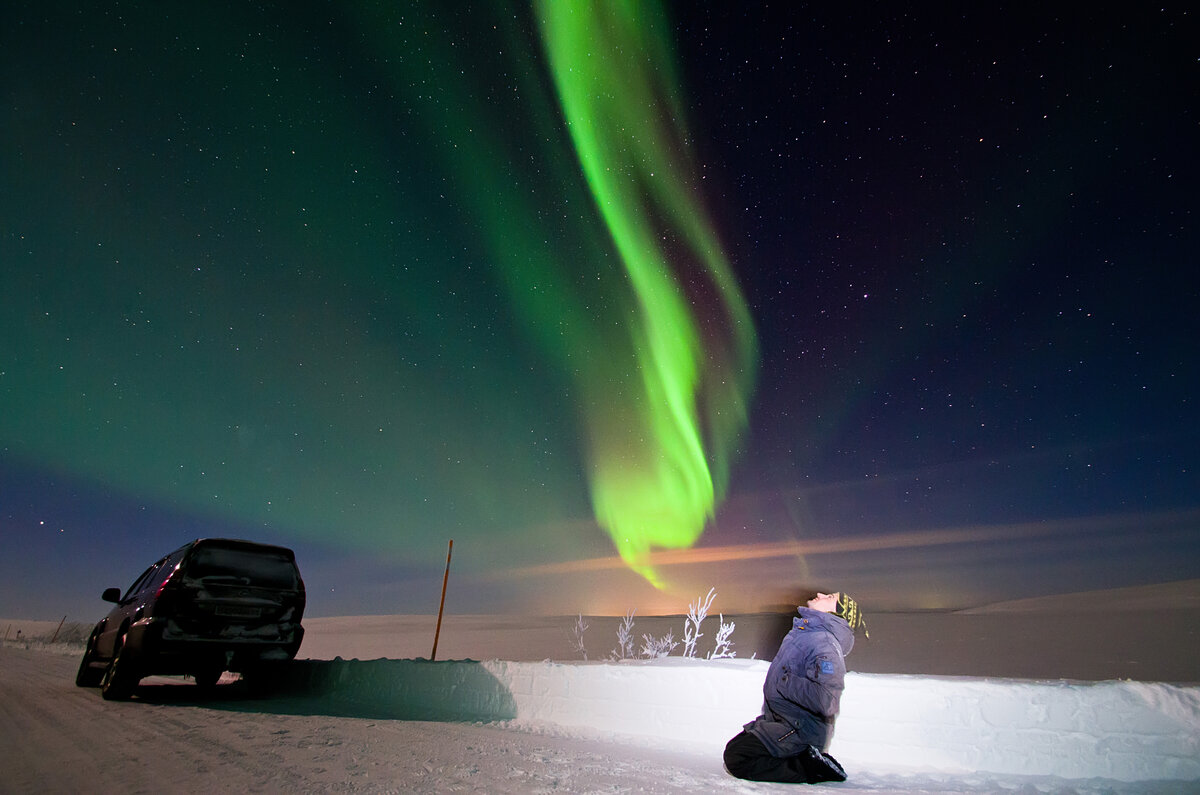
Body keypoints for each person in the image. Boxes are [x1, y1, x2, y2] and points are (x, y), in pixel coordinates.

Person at [724, 591, 867, 784]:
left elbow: (825, 699)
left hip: (799, 728)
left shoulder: (825, 644)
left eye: (830, 598)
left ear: (837, 614)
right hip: (785, 721)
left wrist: (785, 681)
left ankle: (810, 768)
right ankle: (805, 758)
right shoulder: (808, 633)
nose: (820, 594)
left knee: (737, 758)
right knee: (737, 746)